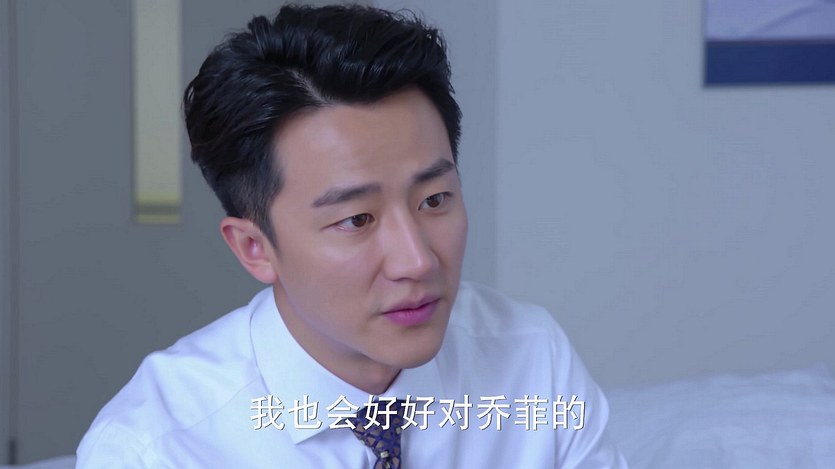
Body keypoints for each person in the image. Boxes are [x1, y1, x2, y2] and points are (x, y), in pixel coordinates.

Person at [77, 4, 627, 468]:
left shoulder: (530, 358)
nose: (416, 261)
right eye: (357, 219)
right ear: (255, 248)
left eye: (434, 200)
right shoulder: (154, 448)